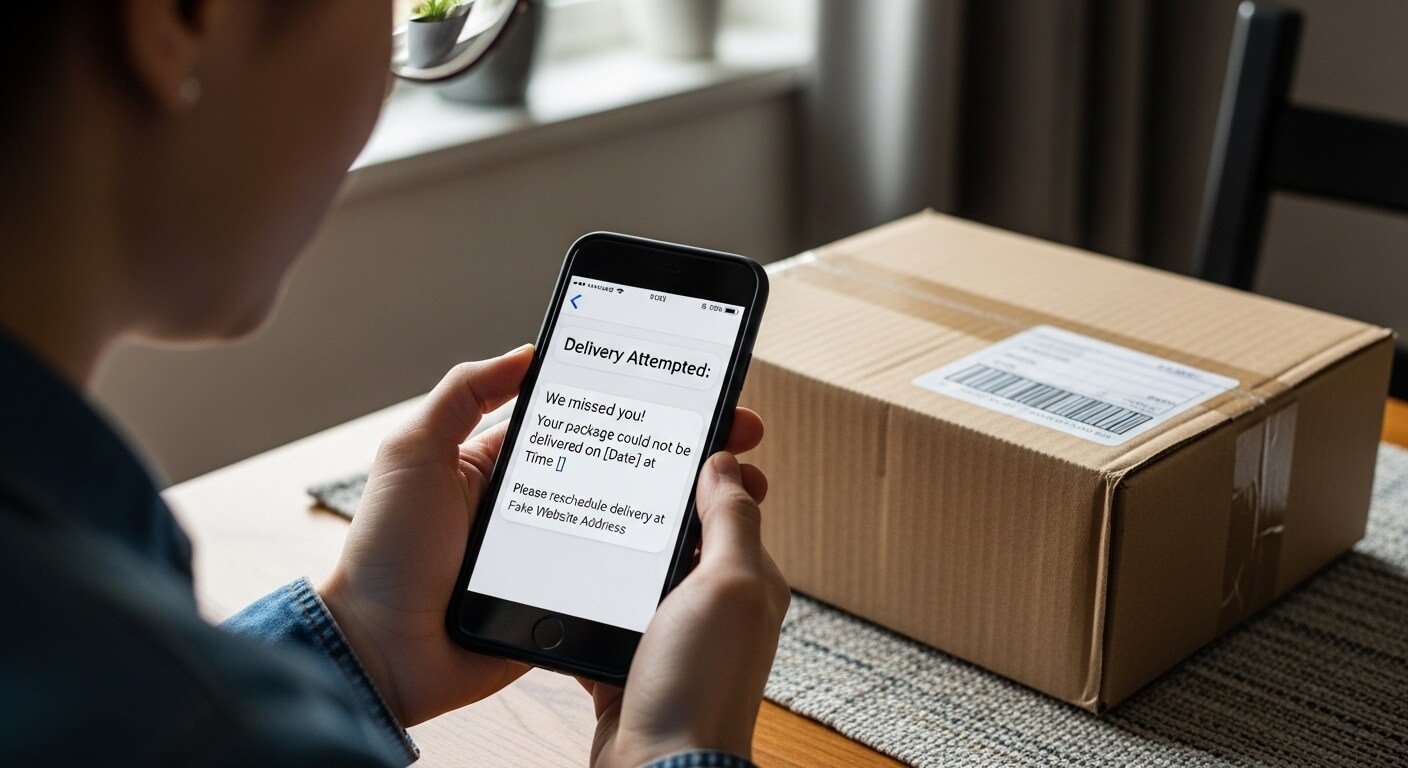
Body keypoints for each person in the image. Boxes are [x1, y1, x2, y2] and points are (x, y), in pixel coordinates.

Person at [0, 2, 789, 765]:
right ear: (183, 18)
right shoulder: (201, 722)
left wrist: (367, 640)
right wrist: (675, 749)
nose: (388, 83)